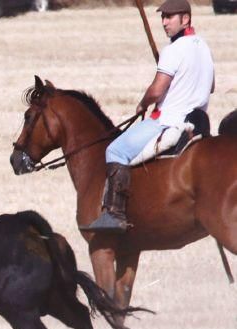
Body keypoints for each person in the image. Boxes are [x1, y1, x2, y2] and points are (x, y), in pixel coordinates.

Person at [81, 0, 214, 234]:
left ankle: (114, 214)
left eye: (169, 18)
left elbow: (156, 90)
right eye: (162, 17)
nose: (164, 22)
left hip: (168, 121)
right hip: (200, 122)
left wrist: (143, 103)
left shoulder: (173, 51)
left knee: (115, 151)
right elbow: (211, 86)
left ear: (185, 19)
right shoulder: (203, 46)